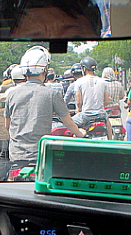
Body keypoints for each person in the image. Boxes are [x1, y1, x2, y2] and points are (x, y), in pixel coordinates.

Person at [5, 46, 84, 174]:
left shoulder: (12, 94)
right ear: (45, 70)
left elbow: (7, 127)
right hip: (40, 157)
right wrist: (80, 134)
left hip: (16, 157)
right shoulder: (51, 93)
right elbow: (68, 123)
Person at [74, 57, 113, 139]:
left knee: (70, 124)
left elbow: (79, 102)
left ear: (84, 68)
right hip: (101, 115)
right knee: (108, 123)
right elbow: (106, 101)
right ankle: (110, 141)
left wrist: (78, 109)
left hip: (86, 116)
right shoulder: (103, 82)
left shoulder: (79, 82)